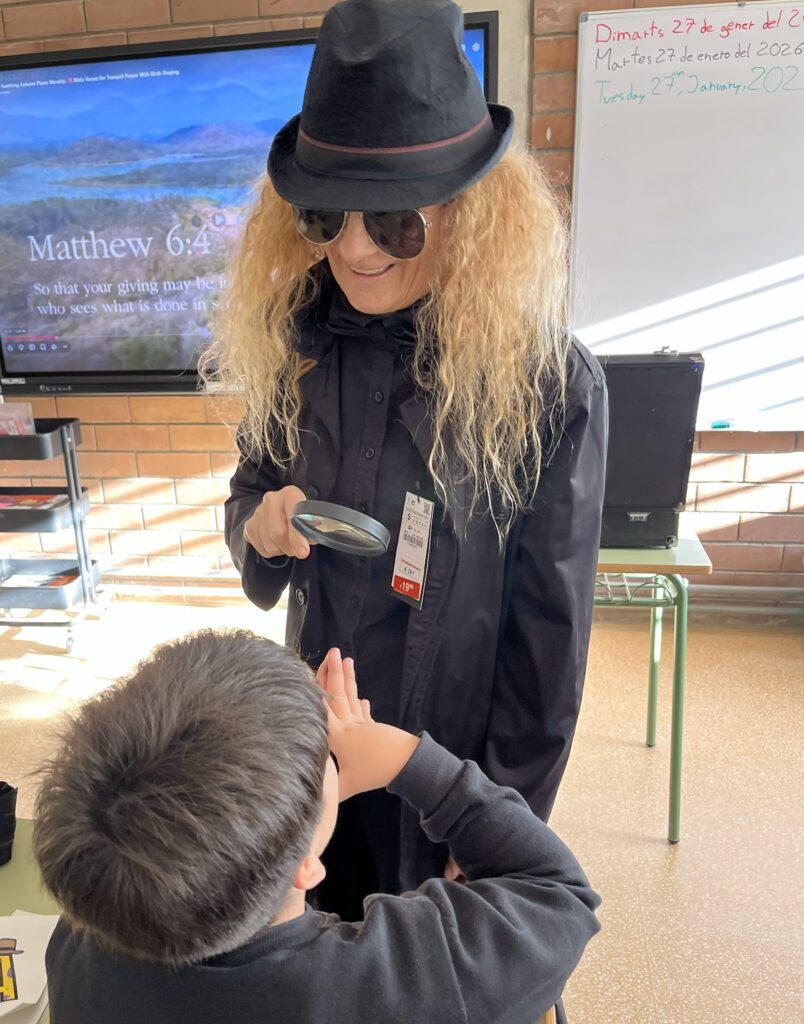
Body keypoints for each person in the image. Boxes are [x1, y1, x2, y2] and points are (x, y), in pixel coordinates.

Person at [203, 0, 608, 919]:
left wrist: (494, 817)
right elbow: (249, 497)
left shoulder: (549, 385)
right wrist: (260, 527)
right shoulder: (296, 342)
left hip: (449, 766)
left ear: (468, 212)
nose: (353, 249)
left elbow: (549, 643)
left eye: (394, 223)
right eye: (324, 216)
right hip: (316, 743)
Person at [34, 631, 601, 1024]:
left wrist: (300, 795)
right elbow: (561, 895)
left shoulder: (82, 943)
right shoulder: (405, 989)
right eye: (327, 755)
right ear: (306, 867)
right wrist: (412, 762)